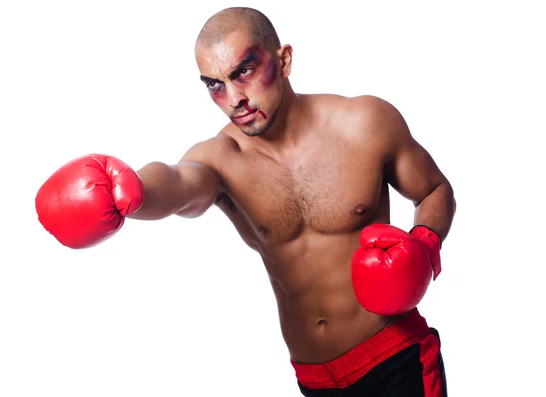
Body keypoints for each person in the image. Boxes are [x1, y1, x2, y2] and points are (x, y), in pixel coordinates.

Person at [35, 6, 456, 396]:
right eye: (215, 85)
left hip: (395, 357)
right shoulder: (222, 160)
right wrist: (132, 190)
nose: (234, 98)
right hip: (314, 379)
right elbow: (179, 182)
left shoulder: (365, 123)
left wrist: (424, 243)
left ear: (285, 60)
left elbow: (435, 189)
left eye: (245, 71)